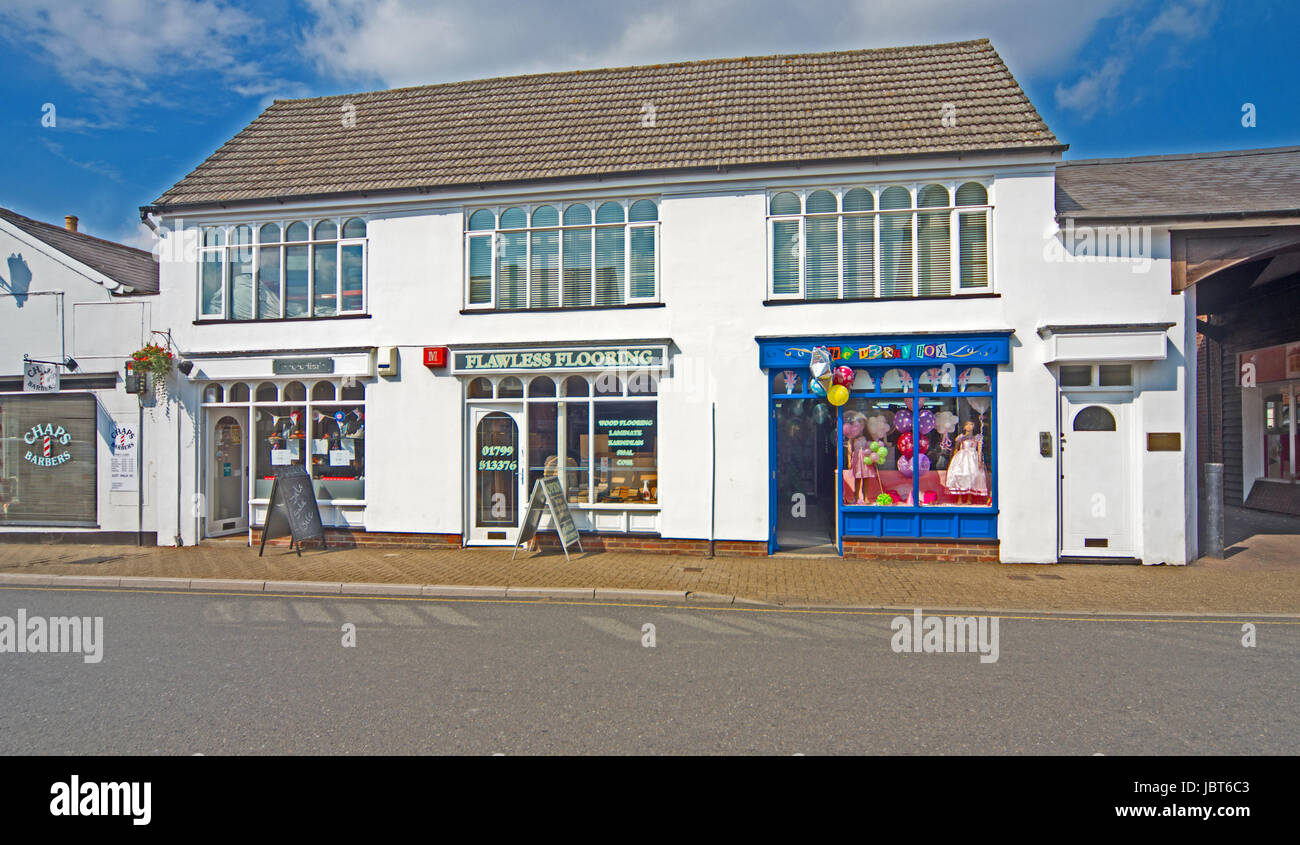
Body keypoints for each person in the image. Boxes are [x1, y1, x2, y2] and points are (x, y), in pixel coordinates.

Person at [944, 420, 987, 505]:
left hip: (971, 458)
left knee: (971, 475)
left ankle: (969, 498)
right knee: (959, 474)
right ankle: (959, 497)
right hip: (961, 458)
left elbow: (979, 450)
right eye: (967, 424)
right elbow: (956, 449)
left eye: (971, 424)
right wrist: (953, 459)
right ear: (964, 427)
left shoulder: (976, 438)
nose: (969, 426)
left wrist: (979, 460)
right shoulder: (961, 437)